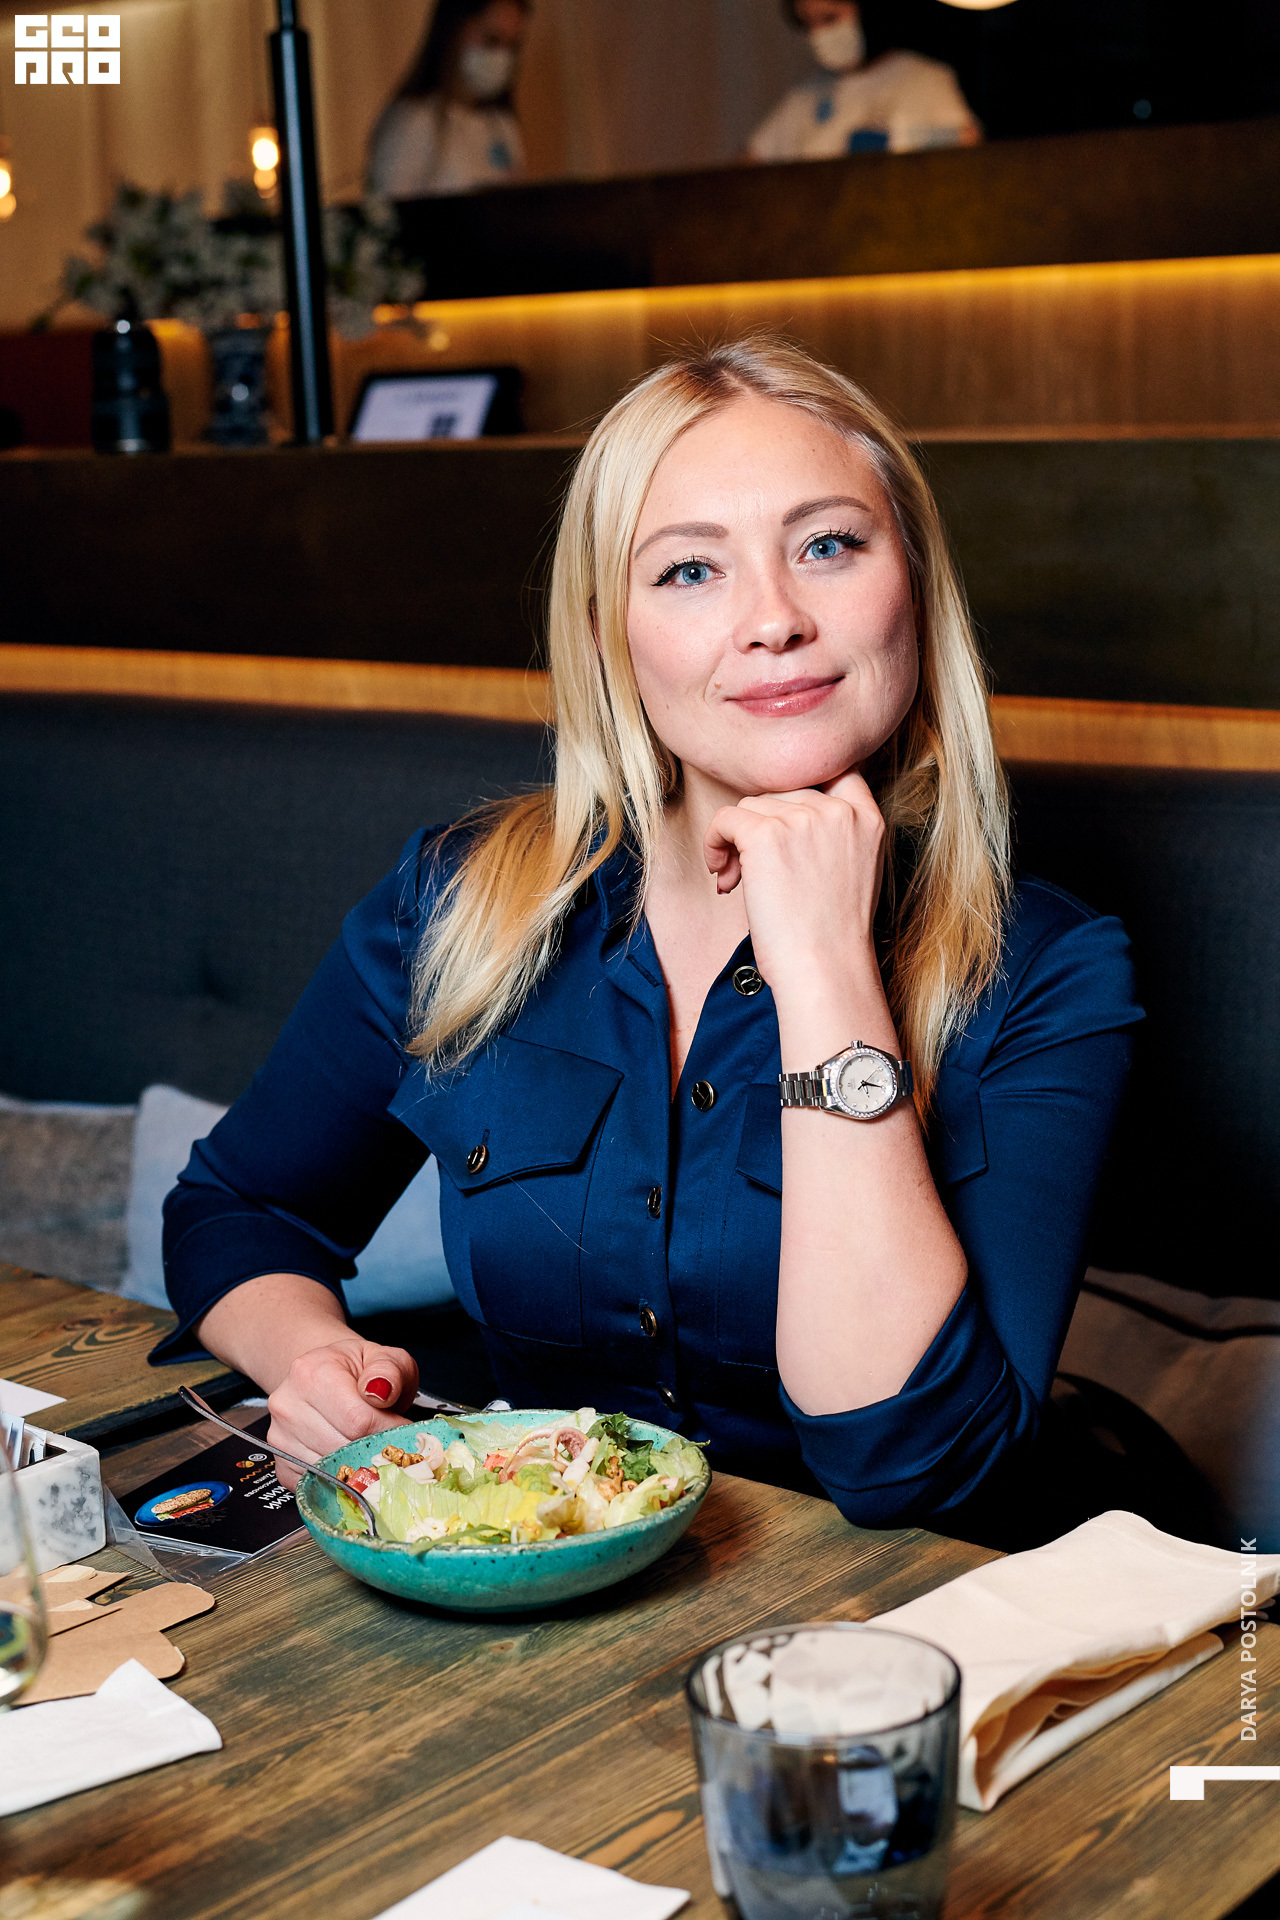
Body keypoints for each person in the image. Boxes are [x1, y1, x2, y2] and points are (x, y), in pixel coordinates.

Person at [156, 338, 1140, 1542]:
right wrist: (310, 1356)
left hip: (900, 1610)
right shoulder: (460, 901)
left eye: (827, 545)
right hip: (538, 1595)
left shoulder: (1043, 970)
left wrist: (823, 966)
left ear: (913, 587)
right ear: (607, 635)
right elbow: (237, 1207)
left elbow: (915, 1468)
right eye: (688, 570)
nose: (773, 619)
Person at [748, 0, 980, 161]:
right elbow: (748, 166)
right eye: (809, 25)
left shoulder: (924, 80)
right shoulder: (804, 97)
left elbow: (963, 152)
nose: (819, 35)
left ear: (867, 11)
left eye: (829, 18)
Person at [367, 0, 529, 198]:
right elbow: (387, 212)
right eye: (491, 40)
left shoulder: (502, 125)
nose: (501, 57)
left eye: (512, 46)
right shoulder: (413, 122)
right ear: (454, 31)